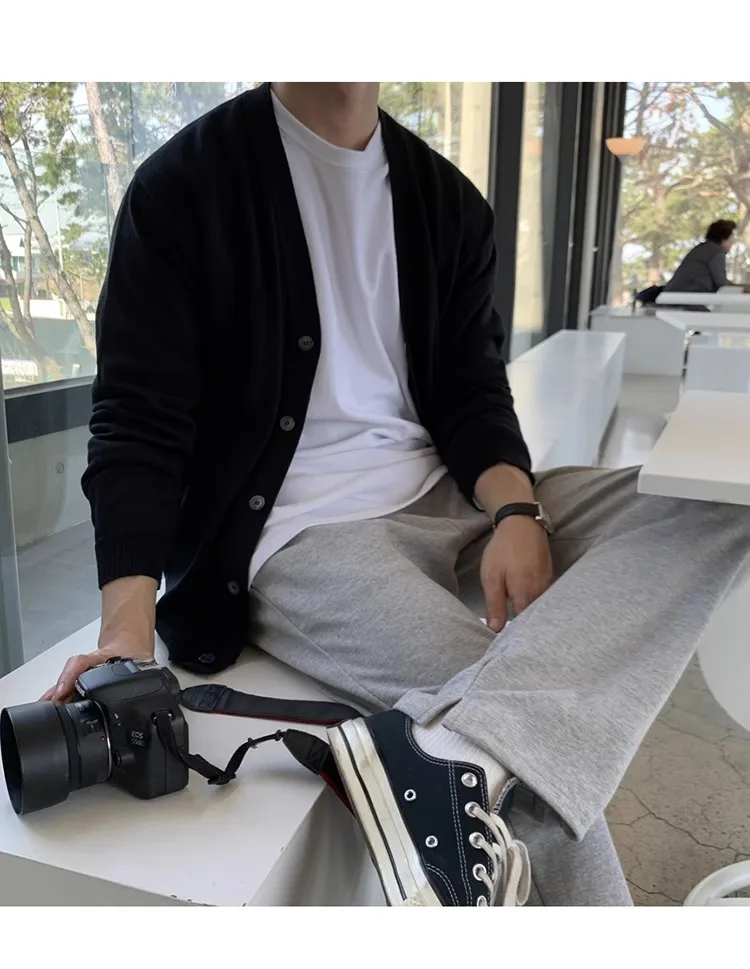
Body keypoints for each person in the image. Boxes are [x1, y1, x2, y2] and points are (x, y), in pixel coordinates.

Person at [44, 83, 750, 907]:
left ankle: (458, 753)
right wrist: (125, 633)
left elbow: (471, 390)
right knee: (522, 735)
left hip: (451, 497)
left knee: (708, 501)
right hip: (307, 530)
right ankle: (487, 766)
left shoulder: (447, 198)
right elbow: (138, 419)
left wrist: (516, 511)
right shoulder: (184, 185)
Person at [661, 219, 750, 296]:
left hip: (674, 295)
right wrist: (742, 287)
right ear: (723, 239)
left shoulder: (702, 248)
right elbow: (721, 283)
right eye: (730, 240)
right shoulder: (716, 252)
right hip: (687, 299)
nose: (731, 244)